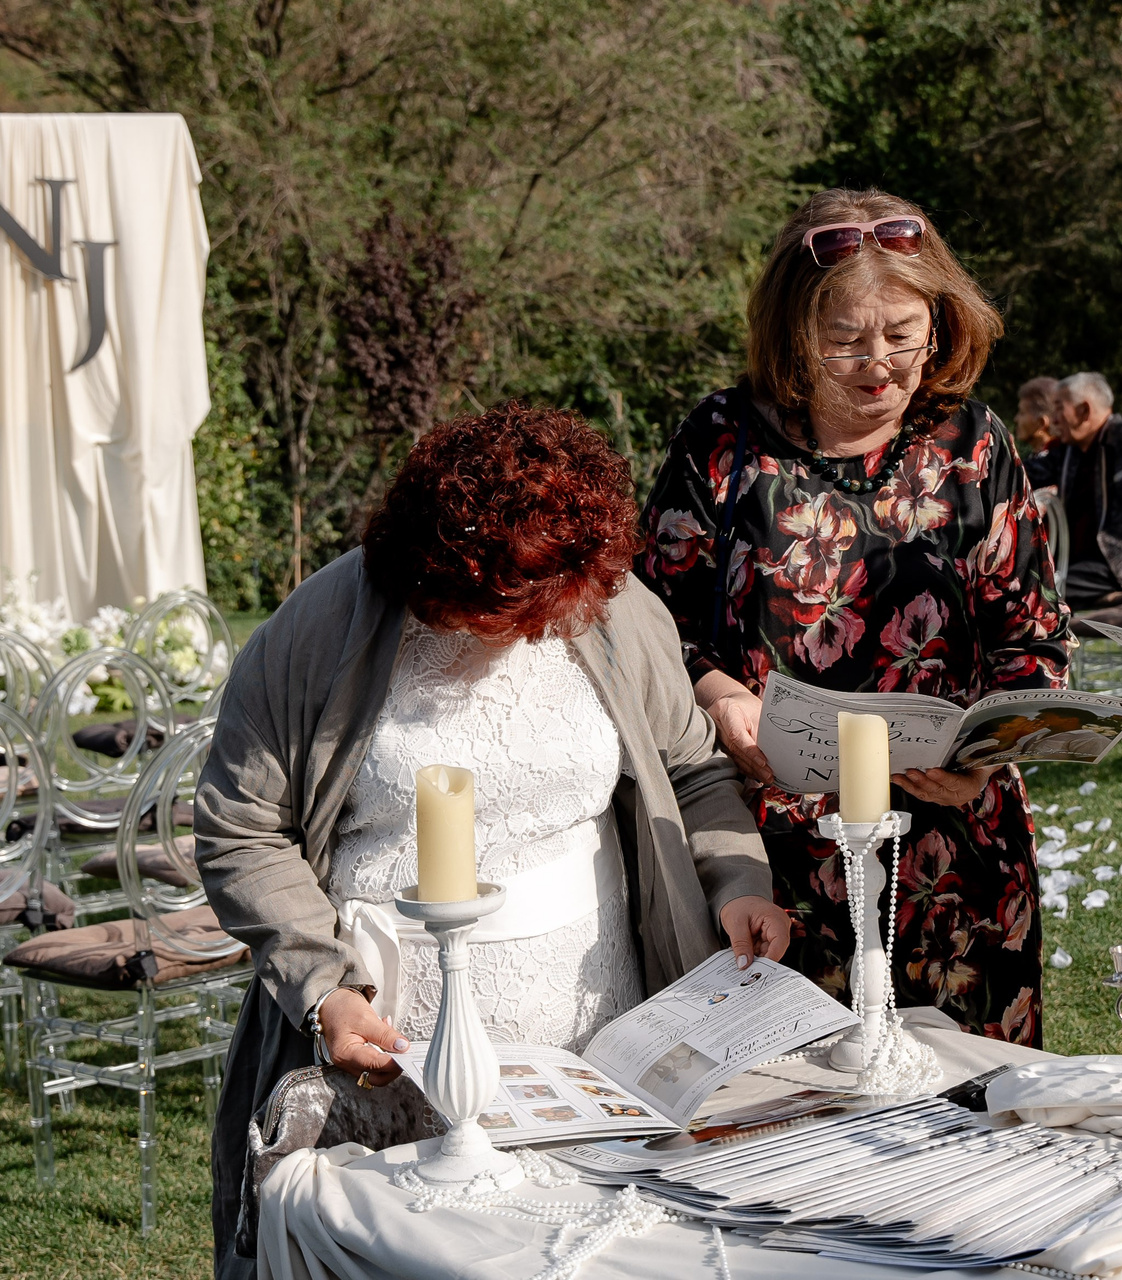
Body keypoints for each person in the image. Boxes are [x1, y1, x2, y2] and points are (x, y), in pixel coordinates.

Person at [196, 404, 788, 1280]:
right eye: (501, 609)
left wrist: (737, 882)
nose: (527, 632)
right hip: (391, 1047)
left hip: (599, 1033)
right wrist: (324, 991)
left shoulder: (613, 607)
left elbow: (694, 771)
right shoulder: (321, 626)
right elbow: (240, 826)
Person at [634, 189, 1071, 1046]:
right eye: (845, 341)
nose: (880, 366)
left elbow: (1036, 641)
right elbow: (647, 626)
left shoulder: (973, 442)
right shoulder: (722, 440)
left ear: (941, 322)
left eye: (903, 335)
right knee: (791, 1114)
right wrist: (717, 693)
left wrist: (985, 759)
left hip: (956, 856)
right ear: (794, 332)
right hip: (771, 865)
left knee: (973, 1109)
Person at [1022, 371, 1122, 609]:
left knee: (1041, 589)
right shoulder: (1069, 452)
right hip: (1082, 564)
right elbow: (1024, 473)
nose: (1054, 420)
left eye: (1059, 408)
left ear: (1084, 411)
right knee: (1026, 581)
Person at [1013, 375, 1058, 454]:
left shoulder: (1050, 460)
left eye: (1022, 413)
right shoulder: (1060, 457)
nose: (1016, 419)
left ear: (1041, 423)